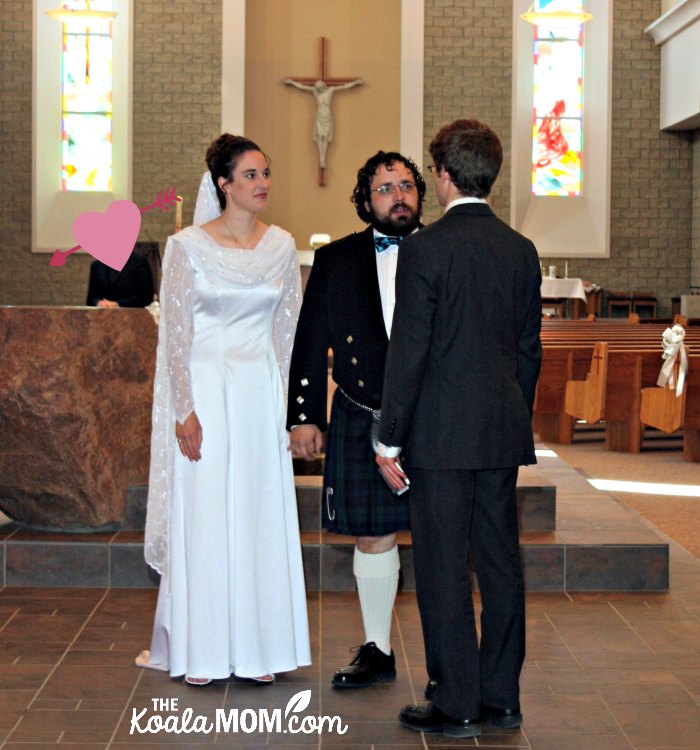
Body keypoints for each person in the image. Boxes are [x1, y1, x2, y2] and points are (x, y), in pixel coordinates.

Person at [375, 120, 542, 738]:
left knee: (444, 566)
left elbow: (410, 351)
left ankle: (458, 701)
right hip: (499, 431)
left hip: (440, 437)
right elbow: (529, 351)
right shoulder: (521, 250)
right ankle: (501, 697)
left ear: (442, 175)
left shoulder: (427, 248)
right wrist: (509, 412)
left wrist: (389, 436)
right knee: (499, 563)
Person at [137, 134, 311, 686]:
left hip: (260, 392)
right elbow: (177, 336)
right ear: (224, 183)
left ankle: (261, 648)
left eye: (266, 174)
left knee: (258, 511)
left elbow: (288, 334)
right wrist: (183, 410)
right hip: (207, 389)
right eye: (252, 175)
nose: (263, 184)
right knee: (208, 511)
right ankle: (204, 647)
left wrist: (289, 411)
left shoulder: (282, 246)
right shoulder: (187, 246)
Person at [287, 151, 425, 688]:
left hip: (429, 416)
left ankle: (449, 659)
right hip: (361, 408)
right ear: (367, 201)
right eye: (386, 187)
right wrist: (304, 416)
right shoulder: (336, 259)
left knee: (438, 534)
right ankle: (378, 648)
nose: (398, 195)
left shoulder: (442, 252)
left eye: (407, 185)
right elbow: (308, 341)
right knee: (372, 534)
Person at [283, 78, 363, 169]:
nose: (319, 89)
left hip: (327, 115)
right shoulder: (315, 92)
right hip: (320, 115)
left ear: (323, 86)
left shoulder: (330, 90)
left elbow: (343, 87)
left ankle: (323, 157)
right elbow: (302, 87)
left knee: (325, 137)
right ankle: (322, 158)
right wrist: (291, 82)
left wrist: (355, 83)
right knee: (320, 137)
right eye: (317, 88)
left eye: (320, 87)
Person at [86, 251, 154, 308]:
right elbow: (91, 299)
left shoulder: (140, 262)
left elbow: (146, 297)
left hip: (133, 318)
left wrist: (118, 304)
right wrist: (98, 303)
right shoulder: (97, 266)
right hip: (103, 318)